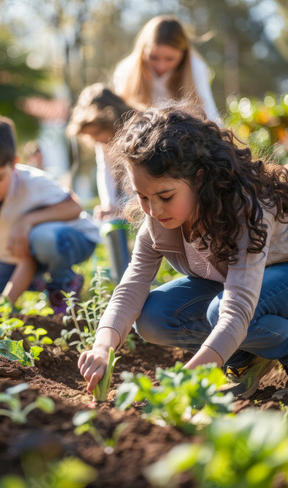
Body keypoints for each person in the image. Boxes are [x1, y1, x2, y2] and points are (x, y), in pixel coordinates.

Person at [79, 100, 288, 399]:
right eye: (143, 196)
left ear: (199, 178)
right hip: (245, 294)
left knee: (222, 311)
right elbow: (132, 285)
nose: (153, 209)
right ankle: (246, 360)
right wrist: (102, 345)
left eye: (165, 195)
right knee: (154, 315)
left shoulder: (246, 210)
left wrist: (191, 375)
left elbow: (238, 305)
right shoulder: (158, 222)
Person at [0, 113, 100, 312]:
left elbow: (75, 207)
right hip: (10, 256)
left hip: (69, 240)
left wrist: (27, 220)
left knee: (44, 238)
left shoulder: (33, 182)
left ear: (13, 163)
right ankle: (39, 282)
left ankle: (63, 283)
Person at [113, 15, 220, 122]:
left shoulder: (196, 68)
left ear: (183, 54)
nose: (161, 65)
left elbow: (211, 114)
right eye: (153, 57)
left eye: (170, 59)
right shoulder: (125, 70)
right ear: (143, 51)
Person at [68, 84, 133, 220]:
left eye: (97, 132)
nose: (96, 140)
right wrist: (109, 204)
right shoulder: (103, 141)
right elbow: (105, 170)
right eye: (90, 136)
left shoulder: (136, 132)